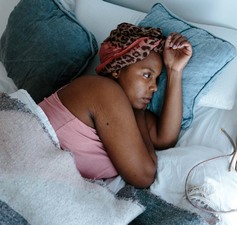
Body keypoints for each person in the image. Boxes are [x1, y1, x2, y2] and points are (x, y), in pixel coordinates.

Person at [39, 23, 192, 188]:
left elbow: (165, 139)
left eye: (156, 79)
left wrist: (174, 71)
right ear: (117, 69)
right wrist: (139, 115)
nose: (154, 87)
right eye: (147, 75)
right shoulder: (103, 90)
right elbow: (143, 176)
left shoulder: (127, 110)